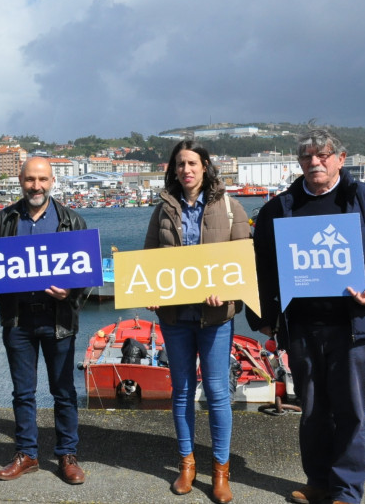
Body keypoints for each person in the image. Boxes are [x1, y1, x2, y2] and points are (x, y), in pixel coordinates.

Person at [248, 128, 365, 504]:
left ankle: (347, 490)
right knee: (312, 410)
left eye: (323, 155)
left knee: (351, 411)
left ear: (341, 158)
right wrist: (264, 318)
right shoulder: (279, 207)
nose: (315, 162)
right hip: (303, 328)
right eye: (307, 156)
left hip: (353, 327)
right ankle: (318, 481)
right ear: (299, 162)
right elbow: (260, 268)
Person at [143, 140, 249, 504]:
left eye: (192, 163)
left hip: (215, 317)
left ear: (205, 166)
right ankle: (187, 465)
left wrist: (230, 294)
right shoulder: (162, 210)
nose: (186, 170)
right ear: (173, 170)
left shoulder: (230, 207)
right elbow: (148, 262)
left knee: (218, 392)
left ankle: (221, 472)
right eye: (179, 164)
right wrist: (151, 292)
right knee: (183, 391)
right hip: (175, 317)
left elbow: (242, 264)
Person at [0, 156, 88, 485]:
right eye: (30, 180)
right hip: (18, 319)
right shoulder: (4, 219)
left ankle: (67, 455)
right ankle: (27, 455)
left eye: (42, 180)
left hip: (59, 319)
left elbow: (87, 272)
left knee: (63, 391)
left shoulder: (71, 220)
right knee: (22, 393)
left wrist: (72, 295)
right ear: (20, 181)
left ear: (52, 181)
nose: (36, 186)